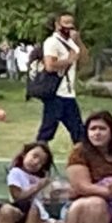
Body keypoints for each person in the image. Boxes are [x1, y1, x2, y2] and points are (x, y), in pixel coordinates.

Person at [35, 12, 88, 146]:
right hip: (56, 93)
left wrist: (78, 41)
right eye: (65, 24)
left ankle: (82, 159)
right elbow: (50, 66)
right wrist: (68, 60)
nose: (69, 28)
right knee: (47, 130)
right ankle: (36, 155)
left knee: (78, 131)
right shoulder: (52, 42)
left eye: (71, 24)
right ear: (57, 25)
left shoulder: (71, 43)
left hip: (68, 93)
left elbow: (85, 60)